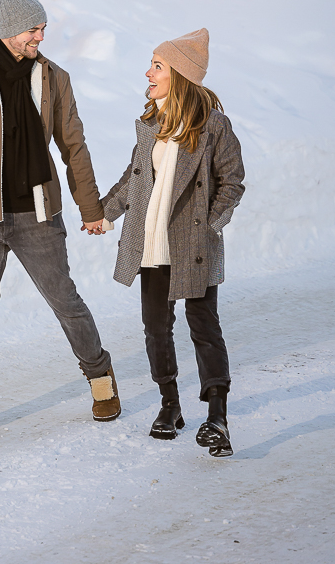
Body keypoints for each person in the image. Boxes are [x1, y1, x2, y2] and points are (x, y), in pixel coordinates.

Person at [0, 0, 120, 439]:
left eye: (43, 28)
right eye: (35, 29)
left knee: (65, 301)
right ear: (11, 29)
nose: (41, 37)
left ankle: (102, 380)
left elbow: (74, 147)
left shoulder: (54, 78)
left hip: (37, 215)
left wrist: (89, 208)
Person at [100, 28, 245, 457]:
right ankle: (170, 405)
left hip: (194, 242)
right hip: (153, 243)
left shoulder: (213, 126)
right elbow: (135, 179)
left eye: (157, 66)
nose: (148, 73)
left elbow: (232, 182)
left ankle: (217, 416)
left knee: (204, 326)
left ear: (178, 75)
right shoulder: (151, 124)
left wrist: (210, 224)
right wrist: (103, 212)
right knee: (156, 328)